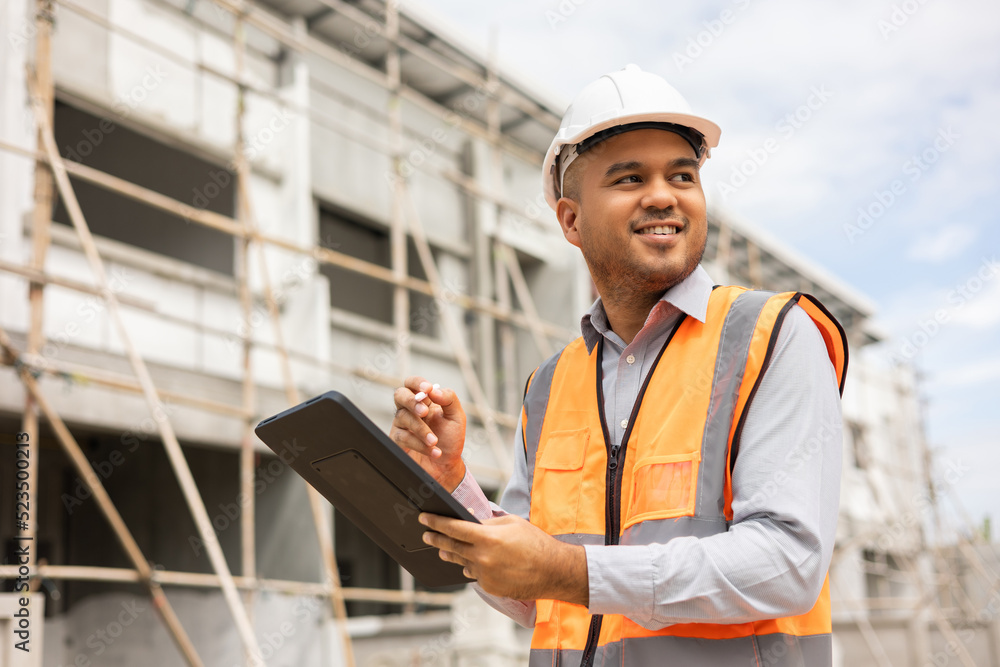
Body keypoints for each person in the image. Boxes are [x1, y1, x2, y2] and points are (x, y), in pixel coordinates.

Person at [390, 64, 847, 667]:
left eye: (681, 175)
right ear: (571, 220)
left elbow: (786, 564)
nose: (663, 194)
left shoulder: (773, 336)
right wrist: (452, 485)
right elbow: (532, 596)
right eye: (630, 177)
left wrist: (571, 570)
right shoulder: (550, 387)